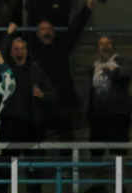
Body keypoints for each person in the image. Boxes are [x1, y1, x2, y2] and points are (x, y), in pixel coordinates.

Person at [27, 0, 94, 140]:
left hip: (61, 100)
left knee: (67, 140)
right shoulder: (33, 50)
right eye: (43, 29)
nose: (47, 31)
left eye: (50, 29)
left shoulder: (62, 46)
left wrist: (87, 8)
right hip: (39, 101)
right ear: (38, 33)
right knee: (37, 140)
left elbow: (76, 28)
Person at [87, 35, 132, 152]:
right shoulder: (93, 67)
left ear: (113, 47)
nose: (105, 47)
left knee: (118, 150)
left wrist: (118, 69)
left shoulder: (121, 62)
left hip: (118, 114)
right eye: (102, 44)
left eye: (108, 43)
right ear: (97, 47)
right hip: (98, 114)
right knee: (96, 150)